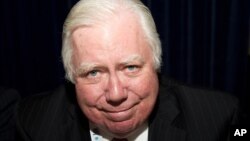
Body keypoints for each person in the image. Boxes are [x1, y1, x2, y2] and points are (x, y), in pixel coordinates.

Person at [15, 0, 240, 140]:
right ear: (72, 76)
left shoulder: (217, 119)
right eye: (93, 72)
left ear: (156, 64)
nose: (116, 94)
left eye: (131, 67)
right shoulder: (34, 124)